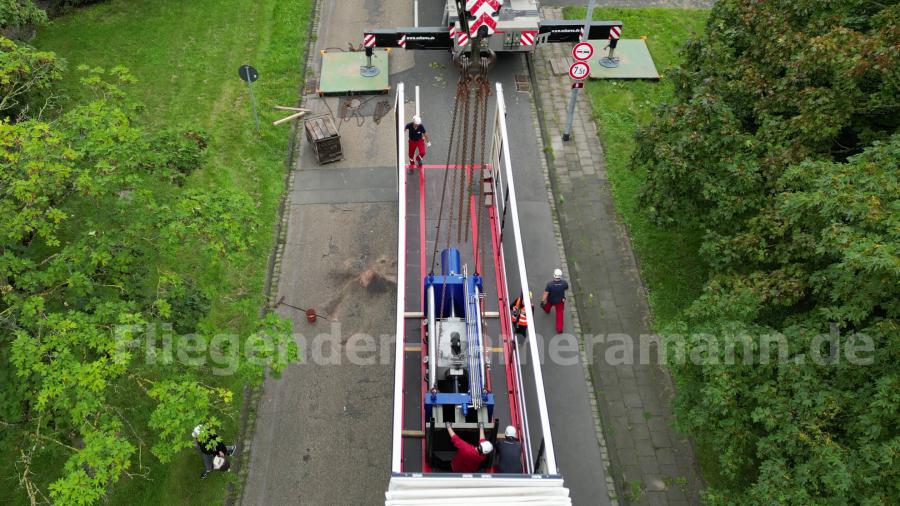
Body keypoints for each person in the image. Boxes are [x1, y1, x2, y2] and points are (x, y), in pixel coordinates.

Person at [541, 268, 569, 333]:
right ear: (560, 276)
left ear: (554, 275)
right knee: (560, 314)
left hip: (550, 300)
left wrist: (542, 301)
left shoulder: (550, 284)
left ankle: (546, 310)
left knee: (547, 306)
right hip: (560, 301)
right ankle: (559, 329)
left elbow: (545, 293)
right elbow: (566, 289)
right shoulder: (564, 283)